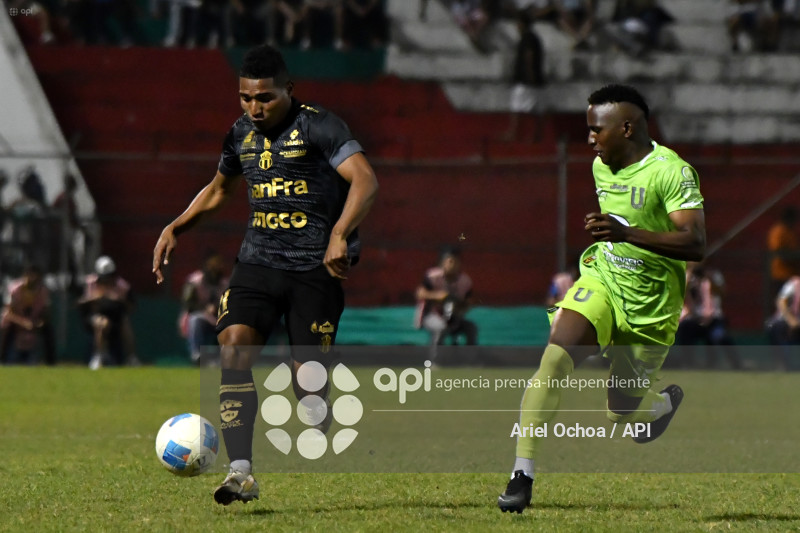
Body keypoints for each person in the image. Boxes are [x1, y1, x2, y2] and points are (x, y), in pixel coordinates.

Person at [151, 44, 378, 506]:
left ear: (288, 90)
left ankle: (316, 402)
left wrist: (339, 235)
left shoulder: (320, 126)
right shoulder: (240, 134)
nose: (254, 108)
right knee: (233, 348)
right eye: (246, 98)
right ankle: (241, 473)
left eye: (265, 98)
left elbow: (365, 180)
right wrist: (176, 225)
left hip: (314, 269)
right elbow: (219, 190)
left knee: (307, 386)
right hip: (258, 262)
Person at [497, 84, 706, 513]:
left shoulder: (672, 172)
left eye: (597, 129)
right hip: (603, 281)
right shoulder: (600, 166)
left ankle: (660, 405)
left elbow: (695, 242)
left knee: (620, 411)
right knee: (554, 359)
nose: (590, 138)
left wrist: (627, 233)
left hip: (651, 307)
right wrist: (615, 238)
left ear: (626, 128)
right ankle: (522, 475)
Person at [415, 246, 478, 362]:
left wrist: (461, 306)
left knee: (471, 327)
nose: (453, 265)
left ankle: (471, 361)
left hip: (454, 316)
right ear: (442, 262)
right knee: (441, 328)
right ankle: (434, 362)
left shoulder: (464, 280)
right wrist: (438, 296)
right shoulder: (433, 276)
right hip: (431, 315)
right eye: (450, 261)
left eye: (456, 261)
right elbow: (420, 293)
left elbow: (469, 301)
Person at [675, 263, 741, 369]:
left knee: (720, 336)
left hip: (714, 318)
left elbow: (722, 292)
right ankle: (688, 363)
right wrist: (689, 275)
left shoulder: (714, 274)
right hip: (695, 318)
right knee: (684, 330)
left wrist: (709, 278)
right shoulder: (689, 276)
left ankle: (735, 365)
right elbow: (681, 293)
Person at [78, 255, 138, 369]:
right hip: (94, 316)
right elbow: (80, 303)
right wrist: (94, 298)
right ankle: (98, 356)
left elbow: (131, 306)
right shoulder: (90, 284)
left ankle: (131, 358)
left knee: (125, 324)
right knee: (102, 323)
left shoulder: (122, 286)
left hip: (115, 316)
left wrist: (118, 299)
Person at [179, 251, 229, 364]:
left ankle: (223, 357)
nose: (216, 267)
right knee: (195, 319)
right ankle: (197, 355)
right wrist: (205, 309)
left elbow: (231, 305)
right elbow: (188, 304)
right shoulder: (195, 281)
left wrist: (217, 308)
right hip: (200, 317)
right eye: (213, 264)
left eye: (219, 263)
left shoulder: (225, 283)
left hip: (219, 318)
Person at [0, 264, 55, 365]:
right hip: (15, 321)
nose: (32, 279)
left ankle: (51, 362)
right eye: (30, 275)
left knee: (48, 330)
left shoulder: (43, 291)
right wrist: (23, 322)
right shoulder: (14, 289)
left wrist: (40, 322)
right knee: (5, 327)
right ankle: (2, 358)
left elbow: (46, 312)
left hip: (33, 321)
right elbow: (8, 313)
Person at [765, 275, 800, 369]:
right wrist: (791, 320)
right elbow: (781, 301)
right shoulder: (794, 284)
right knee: (775, 327)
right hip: (784, 321)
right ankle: (783, 365)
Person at [767, 206, 799, 302]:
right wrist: (793, 258)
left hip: (792, 274)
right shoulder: (779, 231)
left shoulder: (790, 232)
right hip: (781, 275)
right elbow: (778, 251)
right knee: (783, 302)